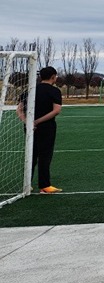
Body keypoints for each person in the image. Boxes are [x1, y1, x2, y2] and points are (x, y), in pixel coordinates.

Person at [16, 66, 63, 194]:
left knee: (31, 155)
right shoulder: (54, 91)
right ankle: (45, 186)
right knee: (45, 156)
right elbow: (56, 110)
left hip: (30, 128)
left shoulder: (28, 90)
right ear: (53, 77)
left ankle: (27, 184)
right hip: (46, 128)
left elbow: (19, 110)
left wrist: (28, 122)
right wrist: (38, 121)